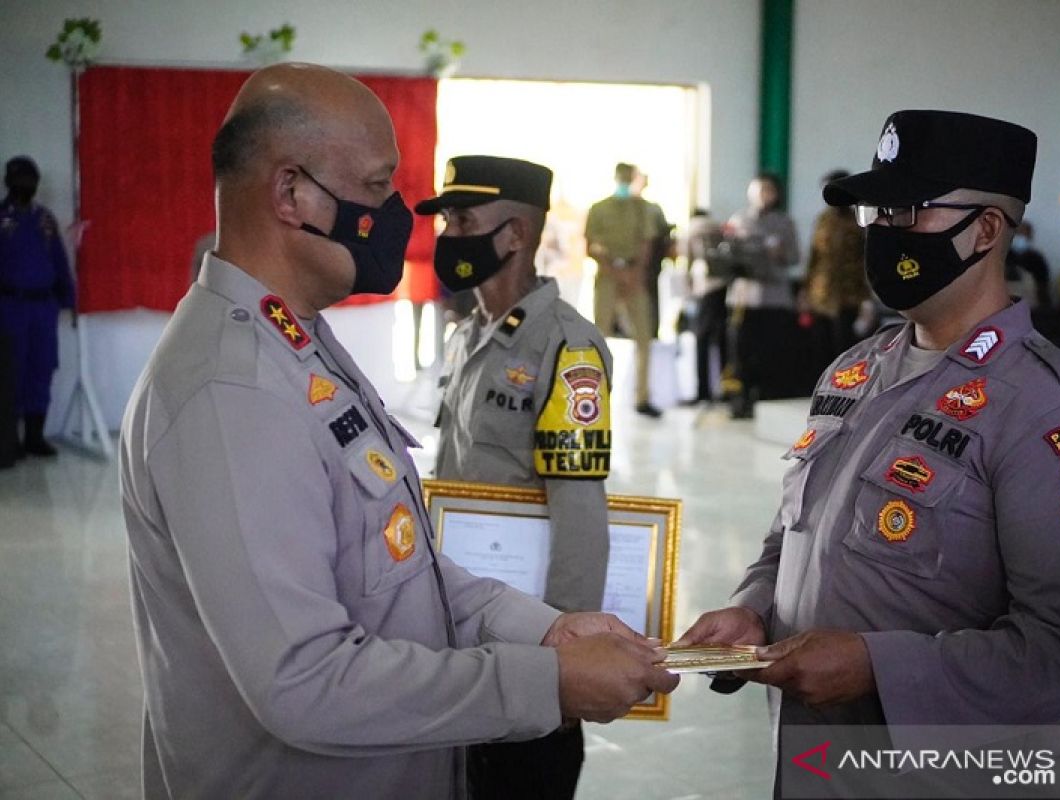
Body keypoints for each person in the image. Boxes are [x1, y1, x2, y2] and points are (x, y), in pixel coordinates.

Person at [119, 63, 677, 800]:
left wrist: (542, 628)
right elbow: (306, 682)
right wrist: (541, 683)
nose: (397, 216)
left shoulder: (295, 342)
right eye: (379, 187)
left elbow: (398, 558)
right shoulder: (234, 392)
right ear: (291, 193)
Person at [679, 110, 1060, 798]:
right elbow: (791, 539)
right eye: (878, 209)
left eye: (909, 210)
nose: (884, 230)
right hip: (818, 767)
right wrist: (752, 609)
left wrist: (875, 667)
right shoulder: (853, 372)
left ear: (985, 229)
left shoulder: (1044, 412)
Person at [418, 155, 613, 800]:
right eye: (446, 220)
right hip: (463, 620)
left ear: (516, 235)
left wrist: (562, 658)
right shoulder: (468, 333)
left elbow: (580, 509)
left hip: (527, 632)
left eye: (463, 220)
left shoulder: (565, 346)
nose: (449, 237)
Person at [0, 156, 75, 457]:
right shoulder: (1, 219)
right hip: (10, 306)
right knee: (11, 371)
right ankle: (10, 440)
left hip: (43, 307)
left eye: (31, 180)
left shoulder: (44, 219)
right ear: (9, 182)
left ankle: (35, 436)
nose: (26, 186)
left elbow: (58, 259)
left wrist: (68, 298)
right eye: (21, 180)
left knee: (41, 368)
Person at [585, 163, 661, 418]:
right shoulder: (599, 208)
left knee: (644, 337)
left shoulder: (642, 209)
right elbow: (590, 245)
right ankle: (592, 394)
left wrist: (635, 274)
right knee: (599, 335)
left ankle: (642, 397)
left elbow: (647, 242)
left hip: (635, 276)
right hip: (608, 275)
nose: (625, 182)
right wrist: (614, 271)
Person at [723, 173, 800, 418]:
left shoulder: (784, 222)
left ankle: (767, 399)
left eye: (768, 190)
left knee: (771, 351)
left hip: (774, 297)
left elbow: (795, 257)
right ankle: (740, 398)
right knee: (741, 350)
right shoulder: (739, 220)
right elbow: (727, 255)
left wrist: (779, 253)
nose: (763, 195)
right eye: (758, 190)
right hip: (744, 297)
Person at [801, 168, 871, 361]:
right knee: (820, 347)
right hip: (821, 295)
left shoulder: (860, 219)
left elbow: (866, 258)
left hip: (850, 295)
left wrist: (868, 299)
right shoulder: (823, 220)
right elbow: (814, 257)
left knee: (846, 347)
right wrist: (805, 291)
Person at [683, 209, 728, 404]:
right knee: (722, 341)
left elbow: (687, 259)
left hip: (705, 288)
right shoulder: (717, 228)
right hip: (724, 288)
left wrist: (688, 287)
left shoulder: (691, 229)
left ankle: (703, 391)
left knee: (701, 340)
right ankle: (726, 390)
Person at [631, 169, 673, 338]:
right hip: (626, 265)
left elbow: (661, 235)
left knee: (649, 303)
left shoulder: (652, 209)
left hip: (649, 267)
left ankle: (650, 333)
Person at [1005, 220, 1052, 308]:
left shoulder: (1037, 259)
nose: (1022, 238)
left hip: (1031, 306)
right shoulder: (1003, 257)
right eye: (1019, 234)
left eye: (1025, 235)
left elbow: (1043, 287)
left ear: (1030, 237)